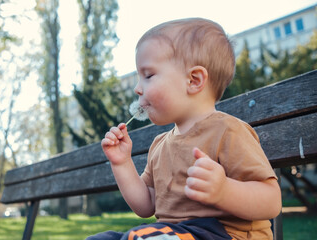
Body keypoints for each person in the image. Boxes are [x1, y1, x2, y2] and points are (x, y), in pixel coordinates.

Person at [90, 18, 281, 240]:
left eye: (148, 75)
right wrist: (122, 163)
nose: (137, 88)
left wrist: (224, 191)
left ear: (193, 80)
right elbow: (146, 205)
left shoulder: (228, 131)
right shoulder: (160, 145)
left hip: (225, 234)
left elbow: (272, 201)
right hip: (172, 233)